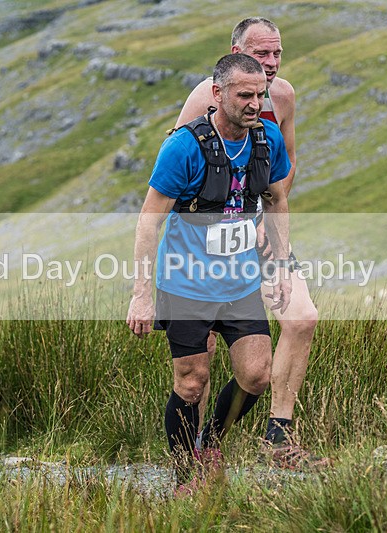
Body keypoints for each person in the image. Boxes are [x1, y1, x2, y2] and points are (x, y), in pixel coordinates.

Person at [127, 54, 293, 492]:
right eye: (245, 95)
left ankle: (210, 443)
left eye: (260, 95)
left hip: (240, 283)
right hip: (185, 283)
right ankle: (185, 476)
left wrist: (280, 265)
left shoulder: (267, 139)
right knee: (191, 381)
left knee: (257, 375)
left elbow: (276, 201)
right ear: (217, 95)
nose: (255, 103)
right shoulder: (184, 146)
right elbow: (149, 220)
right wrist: (142, 293)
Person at [175, 17, 325, 469]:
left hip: (261, 232)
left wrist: (264, 209)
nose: (272, 64)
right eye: (262, 55)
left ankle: (278, 437)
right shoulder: (208, 95)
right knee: (206, 354)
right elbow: (182, 166)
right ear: (235, 51)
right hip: (209, 244)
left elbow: (288, 162)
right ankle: (194, 454)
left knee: (301, 318)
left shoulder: (283, 96)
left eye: (277, 53)